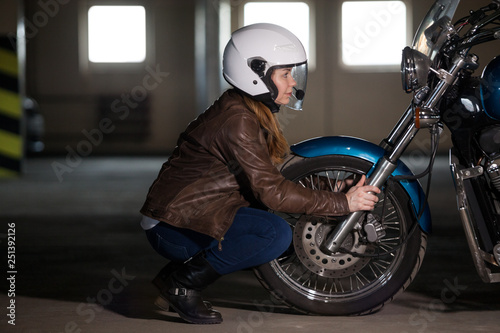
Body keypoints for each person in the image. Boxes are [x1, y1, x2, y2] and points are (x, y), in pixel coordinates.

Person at [140, 23, 380, 325]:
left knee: (271, 224)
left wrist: (336, 187)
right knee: (273, 234)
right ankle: (183, 284)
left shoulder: (246, 110)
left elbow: (271, 175)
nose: (292, 82)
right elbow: (273, 191)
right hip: (172, 227)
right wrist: (343, 204)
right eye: (285, 74)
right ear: (255, 72)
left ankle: (172, 279)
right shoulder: (238, 120)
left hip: (186, 215)